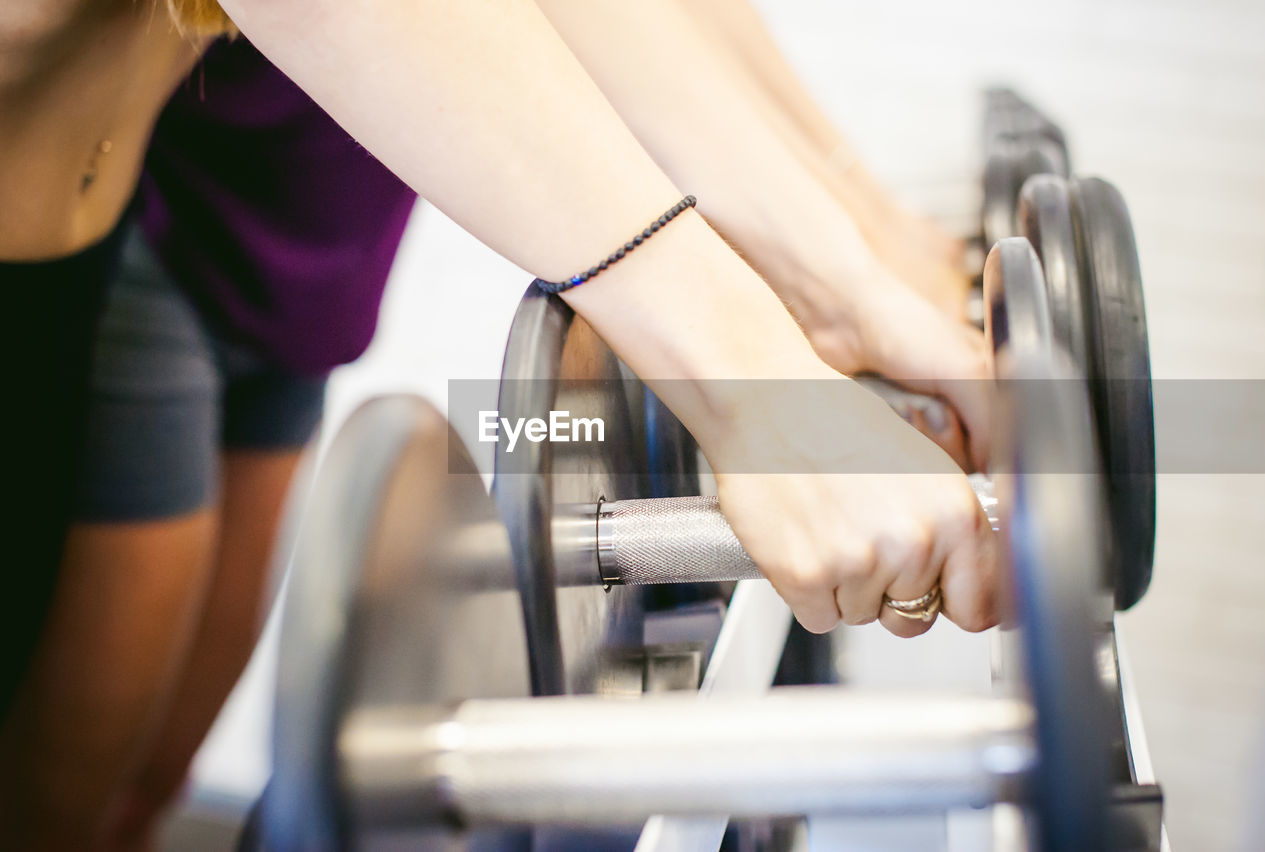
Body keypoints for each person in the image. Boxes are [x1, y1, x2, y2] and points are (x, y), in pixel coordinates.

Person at [0, 1, 996, 848]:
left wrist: (847, 270)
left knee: (119, 794)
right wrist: (758, 388)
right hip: (92, 263)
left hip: (85, 261)